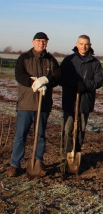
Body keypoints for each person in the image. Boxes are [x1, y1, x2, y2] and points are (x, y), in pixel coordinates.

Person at [7, 32, 61, 177]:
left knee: (41, 135)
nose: (41, 43)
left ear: (47, 43)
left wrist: (46, 80)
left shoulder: (51, 60)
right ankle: (15, 164)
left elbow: (57, 76)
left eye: (44, 41)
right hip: (26, 102)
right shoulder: (24, 58)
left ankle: (38, 161)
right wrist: (34, 83)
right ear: (33, 42)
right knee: (21, 135)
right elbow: (19, 75)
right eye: (38, 41)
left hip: (43, 104)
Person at [60, 35, 103, 172]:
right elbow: (60, 78)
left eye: (86, 44)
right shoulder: (69, 60)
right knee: (67, 129)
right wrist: (74, 83)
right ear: (76, 44)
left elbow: (99, 81)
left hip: (85, 102)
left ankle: (77, 152)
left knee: (80, 129)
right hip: (70, 100)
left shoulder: (95, 62)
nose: (84, 46)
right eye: (81, 43)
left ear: (90, 45)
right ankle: (66, 154)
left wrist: (85, 85)